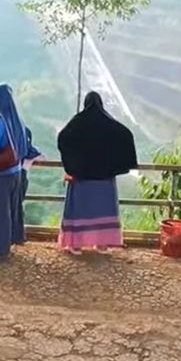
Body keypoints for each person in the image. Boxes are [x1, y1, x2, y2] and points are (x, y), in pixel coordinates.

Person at [56, 91, 136, 254]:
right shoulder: (109, 123)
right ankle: (102, 244)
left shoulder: (78, 123)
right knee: (103, 211)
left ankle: (77, 245)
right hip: (104, 181)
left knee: (80, 211)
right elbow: (126, 134)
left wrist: (73, 165)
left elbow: (63, 137)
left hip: (82, 179)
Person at [0, 83, 30, 258]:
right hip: (16, 171)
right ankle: (12, 240)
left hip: (0, 174)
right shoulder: (18, 120)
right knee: (12, 209)